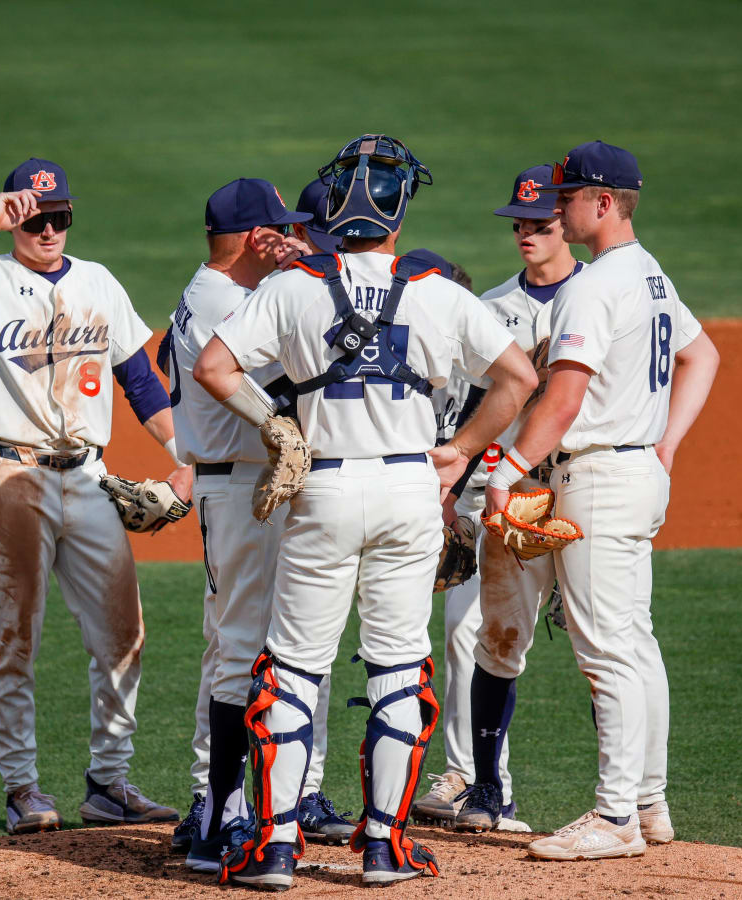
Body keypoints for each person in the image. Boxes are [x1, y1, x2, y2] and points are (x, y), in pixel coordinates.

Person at [194, 134, 537, 889]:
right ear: (399, 217)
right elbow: (519, 377)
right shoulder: (441, 291)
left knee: (291, 670)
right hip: (412, 489)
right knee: (398, 663)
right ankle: (384, 846)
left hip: (324, 486)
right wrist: (462, 451)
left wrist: (274, 422)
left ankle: (274, 850)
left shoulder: (292, 286)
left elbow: (211, 367)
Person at [0, 157, 188, 835]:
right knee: (14, 637)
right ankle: (22, 788)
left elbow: (139, 381)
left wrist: (188, 461)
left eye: (59, 216)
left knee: (124, 635)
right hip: (13, 478)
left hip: (89, 478)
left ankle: (109, 783)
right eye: (35, 217)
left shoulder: (98, 282)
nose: (49, 228)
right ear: (16, 220)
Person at [480, 141, 719, 860]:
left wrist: (508, 468)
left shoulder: (593, 286)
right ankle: (648, 802)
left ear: (603, 202)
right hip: (637, 473)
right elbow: (703, 356)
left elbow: (565, 396)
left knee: (606, 650)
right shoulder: (649, 275)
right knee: (635, 643)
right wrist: (666, 443)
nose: (555, 209)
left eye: (568, 197)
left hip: (598, 478)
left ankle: (614, 815)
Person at [159, 178, 358, 871]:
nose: (285, 237)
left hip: (236, 485)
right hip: (247, 491)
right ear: (251, 238)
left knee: (236, 647)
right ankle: (219, 821)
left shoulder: (210, 294)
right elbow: (313, 364)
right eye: (276, 229)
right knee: (246, 652)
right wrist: (311, 261)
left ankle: (229, 809)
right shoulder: (231, 301)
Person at [414, 165, 584, 834]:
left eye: (539, 222)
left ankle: (634, 797)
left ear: (567, 224)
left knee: (600, 644)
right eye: (518, 222)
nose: (526, 233)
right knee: (468, 633)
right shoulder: (488, 309)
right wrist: (455, 492)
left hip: (578, 489)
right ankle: (476, 784)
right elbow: (468, 408)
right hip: (499, 497)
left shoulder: (600, 296)